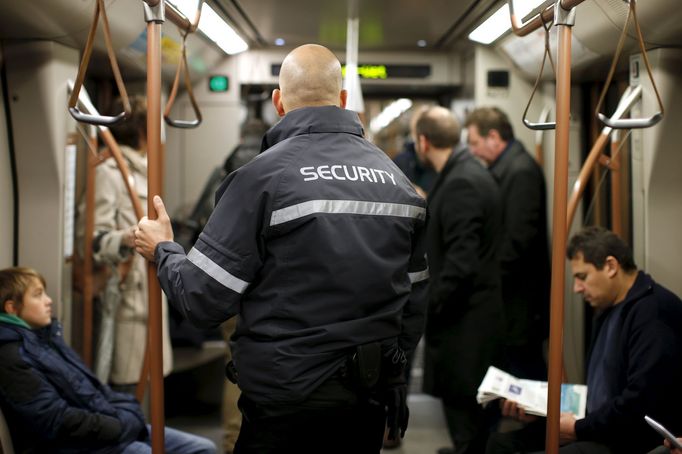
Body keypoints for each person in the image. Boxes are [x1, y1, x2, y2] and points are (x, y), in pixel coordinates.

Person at [134, 43, 428, 453]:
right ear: (343, 100)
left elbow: (203, 299)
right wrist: (394, 376)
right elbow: (414, 297)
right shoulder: (399, 183)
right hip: (368, 398)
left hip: (285, 402)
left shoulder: (259, 179)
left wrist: (163, 248)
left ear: (278, 102)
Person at [486, 226, 682, 454]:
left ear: (610, 266)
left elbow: (639, 402)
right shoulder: (608, 309)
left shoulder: (653, 312)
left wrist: (578, 428)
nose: (577, 288)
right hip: (600, 424)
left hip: (629, 439)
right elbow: (601, 393)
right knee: (500, 444)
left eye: (582, 277)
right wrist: (539, 409)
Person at [0, 266, 216, 454]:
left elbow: (93, 391)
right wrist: (119, 426)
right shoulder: (12, 357)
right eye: (38, 295)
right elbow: (54, 420)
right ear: (11, 307)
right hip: (73, 446)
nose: (49, 301)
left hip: (102, 431)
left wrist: (127, 413)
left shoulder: (46, 339)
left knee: (202, 448)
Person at [415, 106, 504, 454]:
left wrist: (428, 304)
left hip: (465, 326)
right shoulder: (468, 173)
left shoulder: (460, 183)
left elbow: (461, 263)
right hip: (475, 319)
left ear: (423, 142)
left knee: (466, 424)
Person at [78, 95, 173, 392]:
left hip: (150, 297)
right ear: (142, 129)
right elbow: (90, 240)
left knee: (148, 387)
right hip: (128, 302)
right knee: (128, 390)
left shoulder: (144, 169)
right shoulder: (108, 172)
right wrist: (132, 236)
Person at [465, 106, 549, 381]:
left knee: (525, 368)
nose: (474, 152)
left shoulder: (520, 171)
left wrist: (486, 280)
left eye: (475, 143)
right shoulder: (507, 167)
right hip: (510, 295)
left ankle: (537, 425)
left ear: (493, 137)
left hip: (520, 296)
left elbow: (517, 239)